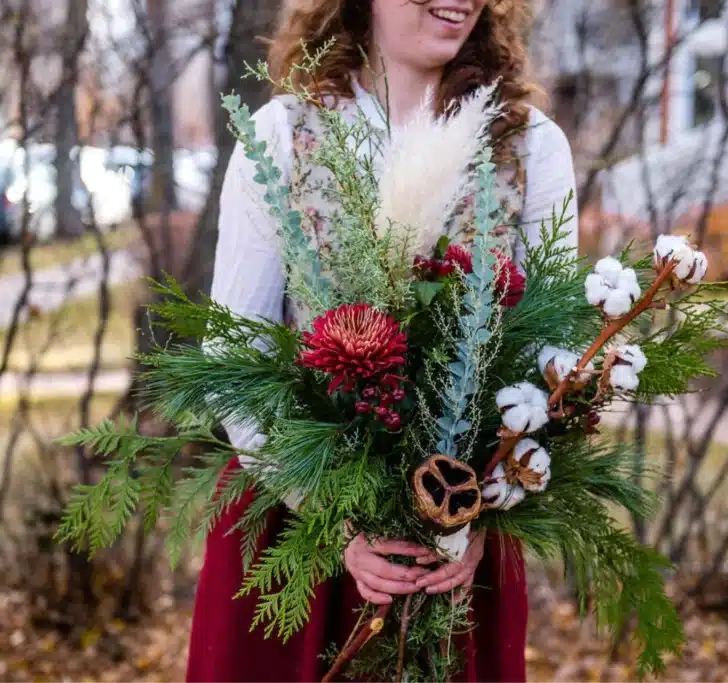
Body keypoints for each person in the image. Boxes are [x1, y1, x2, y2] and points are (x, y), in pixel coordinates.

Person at [186, 0, 577, 680]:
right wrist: (336, 524)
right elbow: (235, 355)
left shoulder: (531, 143)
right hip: (295, 534)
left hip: (457, 548)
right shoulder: (280, 135)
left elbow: (560, 359)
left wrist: (481, 513)